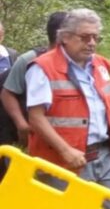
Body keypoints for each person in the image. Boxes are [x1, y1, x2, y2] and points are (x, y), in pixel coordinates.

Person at [25, 9, 110, 194]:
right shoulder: (43, 68)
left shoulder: (101, 64)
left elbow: (105, 103)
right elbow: (36, 117)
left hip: (106, 156)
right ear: (65, 37)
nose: (92, 43)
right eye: (85, 37)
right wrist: (65, 151)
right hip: (63, 160)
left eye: (96, 38)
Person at [1, 12, 68, 147]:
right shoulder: (29, 60)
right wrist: (21, 124)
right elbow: (7, 93)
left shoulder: (81, 63)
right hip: (20, 130)